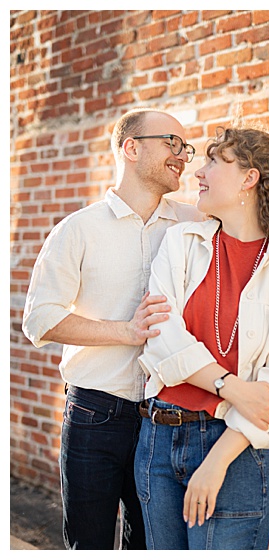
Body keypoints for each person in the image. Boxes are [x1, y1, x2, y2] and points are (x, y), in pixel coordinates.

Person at [22, 108, 207, 549]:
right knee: (89, 543)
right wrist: (125, 332)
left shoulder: (192, 224)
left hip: (163, 418)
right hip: (94, 415)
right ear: (131, 148)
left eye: (187, 147)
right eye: (172, 144)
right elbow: (39, 319)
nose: (183, 156)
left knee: (150, 543)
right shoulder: (78, 229)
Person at [134, 127, 269, 549]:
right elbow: (160, 337)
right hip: (157, 443)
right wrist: (231, 386)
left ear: (248, 178)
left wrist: (216, 463)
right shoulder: (182, 242)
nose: (198, 172)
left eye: (214, 162)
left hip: (234, 451)